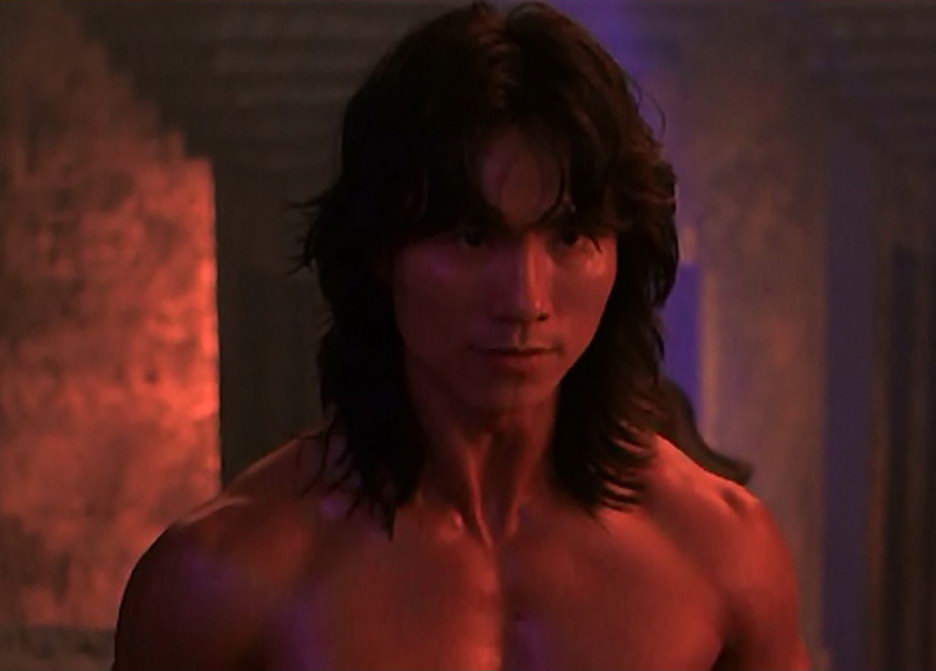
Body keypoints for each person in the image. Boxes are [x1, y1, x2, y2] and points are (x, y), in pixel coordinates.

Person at [113, 3, 810, 669]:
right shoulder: (225, 575)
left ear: (619, 253)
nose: (525, 301)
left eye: (570, 237)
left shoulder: (721, 551)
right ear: (382, 249)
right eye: (474, 237)